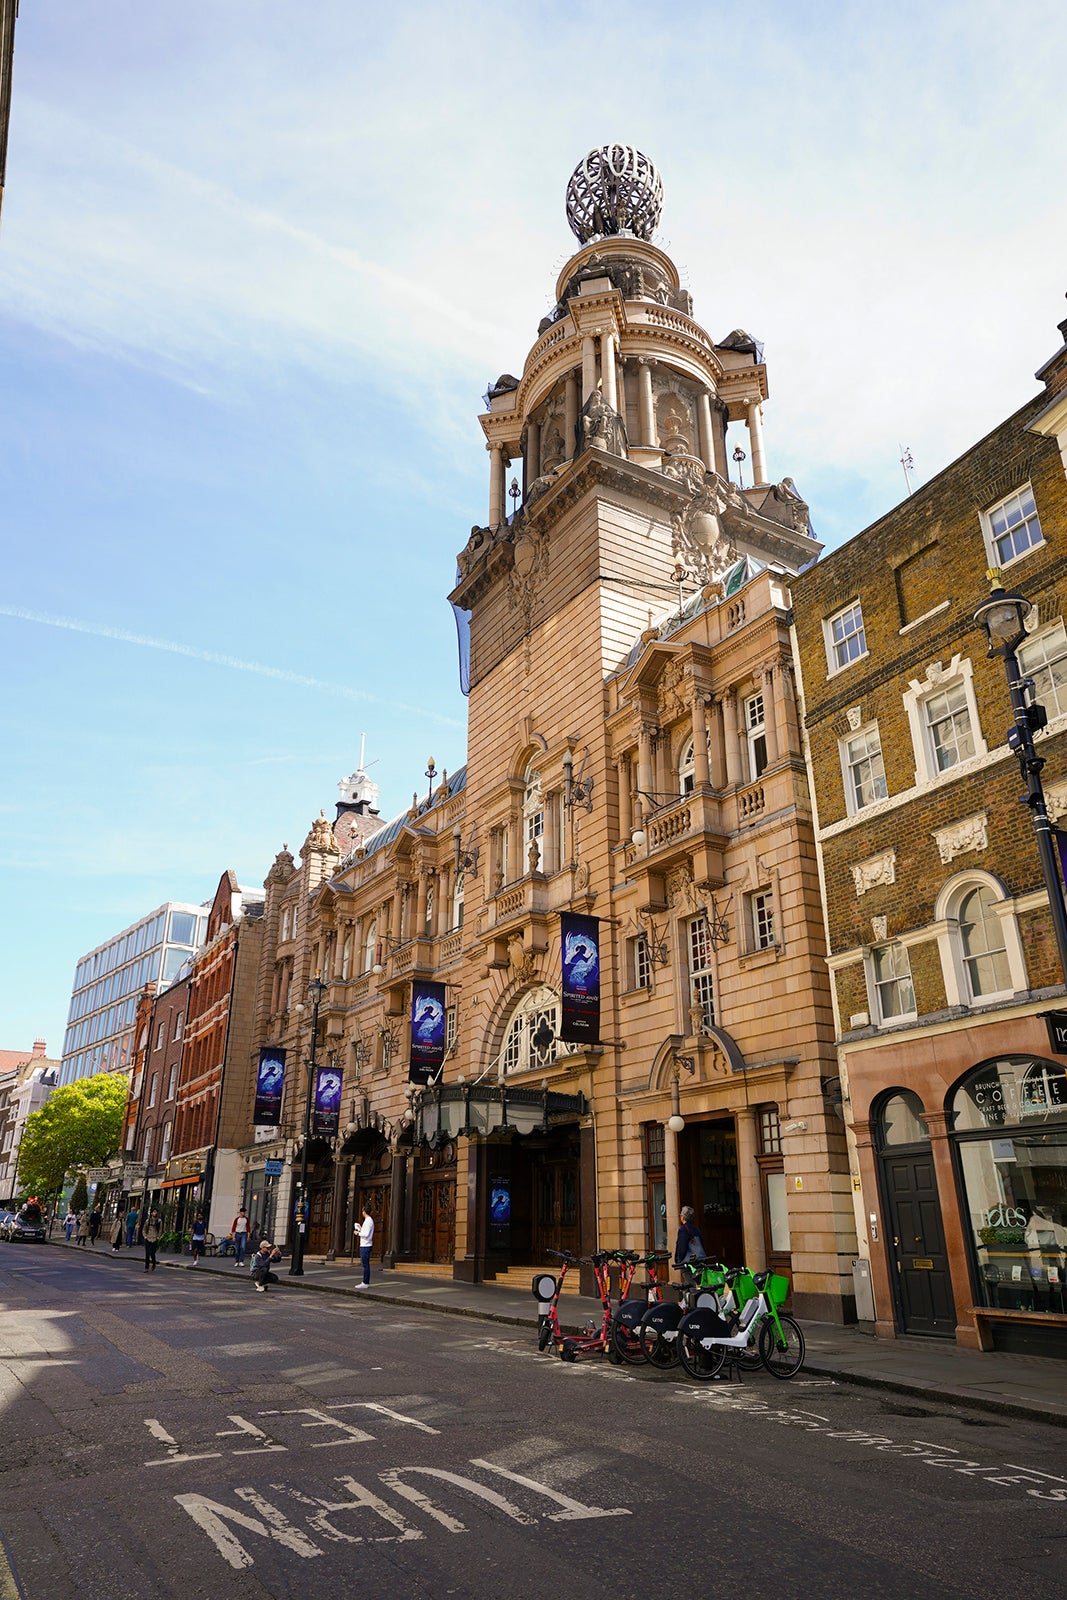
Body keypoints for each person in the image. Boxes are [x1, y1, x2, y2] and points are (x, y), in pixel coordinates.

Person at [355, 1205, 374, 1288]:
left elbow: (366, 1234)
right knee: (365, 1264)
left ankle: (365, 1282)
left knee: (365, 1265)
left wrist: (358, 1233)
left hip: (366, 1245)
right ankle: (365, 1282)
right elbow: (366, 1232)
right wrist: (360, 1228)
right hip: (365, 1244)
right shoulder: (368, 1221)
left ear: (364, 1212)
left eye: (362, 1211)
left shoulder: (368, 1221)